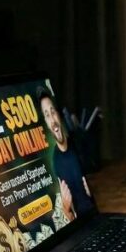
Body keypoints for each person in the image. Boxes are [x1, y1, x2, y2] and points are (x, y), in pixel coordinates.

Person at [38, 89, 95, 221]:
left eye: (53, 111)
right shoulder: (56, 161)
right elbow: (71, 216)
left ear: (58, 114)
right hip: (83, 225)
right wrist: (66, 209)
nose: (52, 118)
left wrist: (91, 192)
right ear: (46, 123)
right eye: (47, 115)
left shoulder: (78, 142)